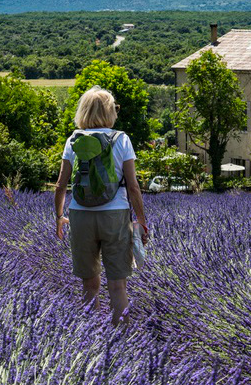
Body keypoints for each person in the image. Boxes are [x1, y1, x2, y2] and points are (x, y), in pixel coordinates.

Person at [54, 85, 147, 324]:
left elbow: (60, 185)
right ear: (109, 112)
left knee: (89, 285)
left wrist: (59, 217)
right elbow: (133, 186)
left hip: (80, 215)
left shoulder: (73, 139)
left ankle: (92, 337)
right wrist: (141, 220)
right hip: (115, 215)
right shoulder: (121, 139)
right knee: (117, 286)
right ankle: (123, 340)